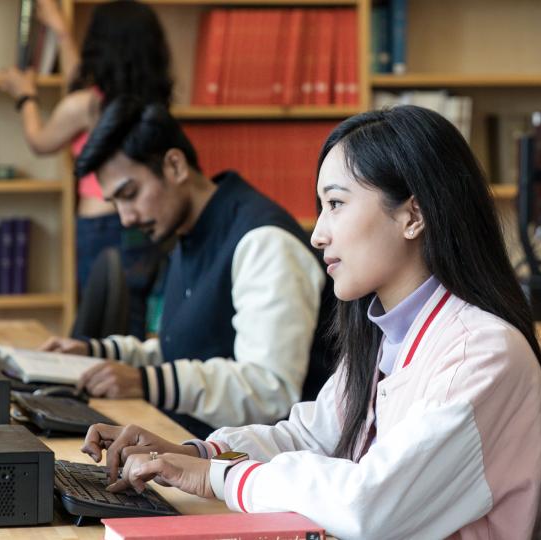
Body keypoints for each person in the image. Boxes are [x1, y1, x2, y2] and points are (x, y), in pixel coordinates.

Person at [80, 105, 541, 539]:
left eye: (335, 204)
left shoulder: (479, 354)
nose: (316, 234)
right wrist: (201, 454)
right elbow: (308, 435)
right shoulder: (389, 337)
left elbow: (369, 508)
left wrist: (219, 479)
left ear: (413, 216)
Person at [40, 97, 333, 439]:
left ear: (175, 166)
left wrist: (147, 382)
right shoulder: (187, 230)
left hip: (255, 470)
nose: (125, 217)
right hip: (204, 449)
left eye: (131, 193)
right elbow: (186, 347)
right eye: (116, 202)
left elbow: (270, 391)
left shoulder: (264, 242)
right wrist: (97, 353)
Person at [0, 0, 173, 336]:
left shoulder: (86, 106)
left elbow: (41, 141)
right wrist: (62, 33)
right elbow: (75, 89)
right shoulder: (151, 100)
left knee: (100, 323)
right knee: (131, 319)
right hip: (145, 223)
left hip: (101, 224)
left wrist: (25, 97)